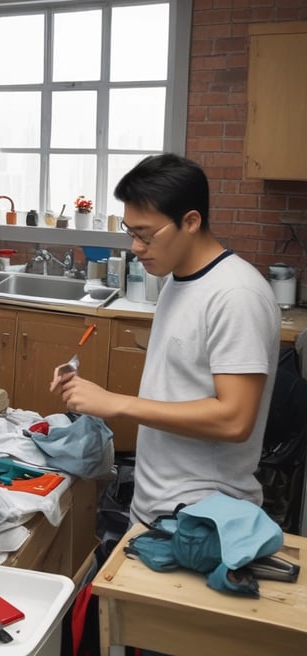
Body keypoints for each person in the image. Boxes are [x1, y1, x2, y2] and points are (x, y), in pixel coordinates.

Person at [50, 153, 281, 528]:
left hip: (202, 517)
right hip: (159, 506)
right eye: (131, 232)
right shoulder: (178, 280)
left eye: (146, 234)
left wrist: (116, 403)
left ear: (191, 222)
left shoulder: (236, 295)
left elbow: (235, 420)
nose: (136, 247)